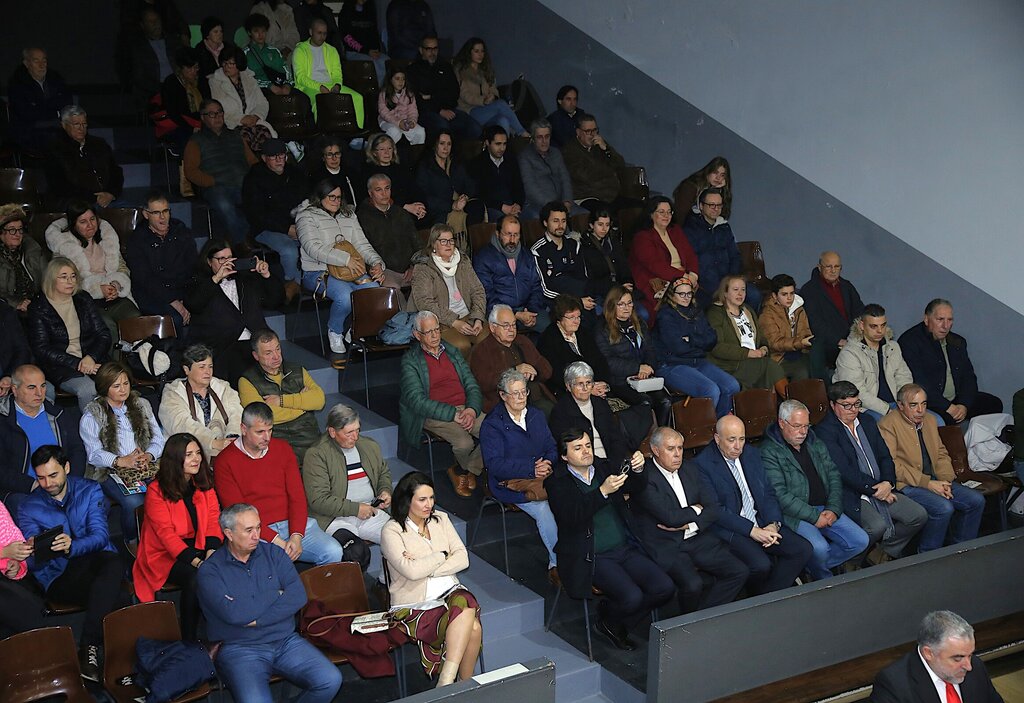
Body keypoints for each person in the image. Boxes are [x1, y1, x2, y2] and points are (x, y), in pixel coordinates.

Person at [197, 502, 343, 701]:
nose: (256, 535)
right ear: (229, 534)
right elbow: (233, 614)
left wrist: (257, 620)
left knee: (330, 679)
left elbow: (298, 596)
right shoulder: (210, 571)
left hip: (285, 640)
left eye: (258, 527)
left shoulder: (274, 554)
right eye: (249, 530)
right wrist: (276, 594)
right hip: (239, 648)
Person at [546, 427, 672, 651]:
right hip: (590, 555)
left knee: (664, 587)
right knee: (632, 597)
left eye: (588, 445)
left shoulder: (603, 467)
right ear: (564, 456)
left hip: (624, 547)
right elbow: (571, 516)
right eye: (578, 448)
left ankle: (613, 621)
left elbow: (635, 486)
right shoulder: (557, 482)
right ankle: (613, 621)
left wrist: (638, 469)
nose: (586, 451)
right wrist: (602, 492)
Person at [19, 445, 123, 681]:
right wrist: (37, 548)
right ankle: (116, 665)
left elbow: (100, 536)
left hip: (95, 562)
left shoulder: (90, 489)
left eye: (53, 475)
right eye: (41, 478)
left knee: (112, 565)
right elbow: (34, 563)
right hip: (58, 576)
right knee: (117, 591)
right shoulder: (28, 506)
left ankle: (90, 649)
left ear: (66, 467)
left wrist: (71, 546)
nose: (48, 483)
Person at [630, 427, 749, 614]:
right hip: (667, 544)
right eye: (671, 449)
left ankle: (705, 616)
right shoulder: (644, 478)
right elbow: (670, 517)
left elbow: (713, 507)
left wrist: (692, 524)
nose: (677, 454)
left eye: (680, 448)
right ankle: (688, 622)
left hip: (697, 536)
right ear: (655, 450)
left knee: (739, 571)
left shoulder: (690, 468)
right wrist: (696, 508)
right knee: (693, 585)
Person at [380, 471, 481, 686]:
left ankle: (449, 683)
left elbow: (463, 559)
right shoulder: (392, 530)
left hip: (449, 592)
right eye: (422, 499)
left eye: (432, 498)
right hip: (414, 603)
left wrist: (427, 567)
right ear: (407, 501)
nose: (429, 504)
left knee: (464, 603)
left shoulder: (441, 519)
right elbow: (411, 572)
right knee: (472, 623)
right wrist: (442, 555)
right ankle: (460, 684)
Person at [695, 415, 812, 594]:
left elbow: (768, 493)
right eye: (731, 440)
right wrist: (752, 531)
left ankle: (770, 596)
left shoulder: (751, 454)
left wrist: (773, 523)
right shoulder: (702, 464)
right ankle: (758, 597)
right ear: (717, 439)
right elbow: (716, 510)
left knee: (802, 549)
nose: (738, 446)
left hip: (762, 521)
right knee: (761, 565)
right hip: (733, 528)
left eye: (742, 439)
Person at [215, 402, 343, 565]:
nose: (267, 437)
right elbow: (238, 514)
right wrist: (277, 541)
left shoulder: (282, 449)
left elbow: (297, 497)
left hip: (293, 526)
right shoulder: (225, 461)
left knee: (333, 551)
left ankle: (311, 583)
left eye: (270, 430)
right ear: (243, 429)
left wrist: (296, 536)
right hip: (255, 532)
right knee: (264, 563)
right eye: (260, 432)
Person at [817, 381, 928, 563]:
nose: (853, 410)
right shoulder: (824, 431)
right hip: (852, 493)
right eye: (846, 405)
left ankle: (881, 551)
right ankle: (852, 563)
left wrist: (888, 482)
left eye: (856, 404)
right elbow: (844, 471)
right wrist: (876, 489)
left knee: (918, 515)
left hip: (881, 486)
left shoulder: (867, 421)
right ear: (832, 404)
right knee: (876, 527)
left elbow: (885, 456)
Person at [760, 400, 870, 580]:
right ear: (781, 423)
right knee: (820, 548)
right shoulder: (769, 451)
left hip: (825, 508)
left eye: (806, 425)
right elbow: (780, 495)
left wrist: (833, 508)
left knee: (860, 541)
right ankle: (825, 580)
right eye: (797, 426)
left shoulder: (814, 441)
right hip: (794, 515)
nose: (803, 431)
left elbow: (834, 475)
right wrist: (814, 517)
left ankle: (810, 568)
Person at [133, 433, 222, 640]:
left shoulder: (203, 481)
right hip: (164, 555)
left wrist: (211, 552)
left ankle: (225, 631)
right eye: (189, 455)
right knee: (196, 577)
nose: (196, 459)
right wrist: (200, 563)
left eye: (198, 453)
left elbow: (213, 520)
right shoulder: (156, 490)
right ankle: (189, 638)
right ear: (175, 459)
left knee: (231, 564)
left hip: (200, 545)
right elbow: (166, 536)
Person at [878, 384, 985, 552]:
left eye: (924, 404)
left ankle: (962, 550)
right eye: (913, 405)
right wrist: (927, 483)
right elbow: (892, 465)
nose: (920, 410)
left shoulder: (930, 420)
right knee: (943, 508)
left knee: (976, 501)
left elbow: (941, 452)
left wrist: (945, 481)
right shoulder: (887, 424)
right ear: (900, 406)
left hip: (935, 479)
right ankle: (928, 554)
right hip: (908, 484)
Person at [479, 369, 560, 579]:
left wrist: (548, 462)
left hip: (543, 475)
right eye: (515, 393)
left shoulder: (536, 415)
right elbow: (494, 465)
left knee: (572, 498)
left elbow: (552, 446)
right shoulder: (492, 425)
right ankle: (557, 564)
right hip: (511, 483)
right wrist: (530, 468)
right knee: (543, 509)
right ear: (503, 395)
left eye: (524, 392)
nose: (521, 397)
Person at [400, 311, 485, 498]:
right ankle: (468, 470)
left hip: (464, 407)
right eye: (428, 332)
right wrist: (452, 414)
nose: (435, 335)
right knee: (464, 443)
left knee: (495, 430)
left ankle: (465, 470)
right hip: (433, 413)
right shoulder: (411, 361)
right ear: (417, 335)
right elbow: (417, 401)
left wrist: (471, 409)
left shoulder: (452, 351)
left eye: (437, 330)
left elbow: (471, 384)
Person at [296, 178, 385, 354]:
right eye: (331, 197)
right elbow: (313, 248)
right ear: (320, 197)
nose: (336, 201)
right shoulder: (306, 216)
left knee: (374, 292)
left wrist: (377, 263)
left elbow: (362, 245)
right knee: (345, 296)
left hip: (351, 270)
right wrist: (345, 259)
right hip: (318, 271)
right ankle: (335, 331)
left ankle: (355, 331)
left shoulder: (348, 215)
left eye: (339, 197)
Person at [80, 361, 165, 542]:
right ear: (105, 388)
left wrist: (148, 455)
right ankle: (132, 540)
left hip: (144, 464)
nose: (123, 389)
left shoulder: (141, 405)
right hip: (109, 470)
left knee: (166, 491)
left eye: (126, 383)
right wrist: (120, 460)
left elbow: (158, 438)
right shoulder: (93, 414)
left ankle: (161, 537)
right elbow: (94, 454)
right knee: (135, 501)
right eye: (116, 386)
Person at [303, 404, 392, 570]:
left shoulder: (369, 446)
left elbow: (383, 473)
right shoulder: (317, 455)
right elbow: (319, 500)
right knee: (355, 552)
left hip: (370, 510)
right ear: (332, 432)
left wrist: (385, 490)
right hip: (335, 519)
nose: (355, 437)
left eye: (357, 430)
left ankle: (384, 581)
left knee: (404, 538)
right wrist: (355, 509)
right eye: (349, 433)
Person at [185, 239, 282, 385]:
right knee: (243, 371)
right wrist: (216, 278)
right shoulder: (200, 283)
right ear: (209, 261)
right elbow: (194, 305)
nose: (226, 262)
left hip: (255, 340)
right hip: (223, 344)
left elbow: (275, 300)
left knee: (275, 364)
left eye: (229, 257)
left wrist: (266, 275)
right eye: (221, 259)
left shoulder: (246, 278)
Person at [44, 200, 140, 341]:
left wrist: (116, 285)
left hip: (114, 296)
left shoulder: (108, 239)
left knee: (135, 318)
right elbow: (64, 282)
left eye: (92, 219)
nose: (90, 225)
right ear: (74, 224)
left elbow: (122, 268)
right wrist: (97, 289)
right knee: (107, 327)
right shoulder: (64, 247)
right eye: (83, 222)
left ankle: (137, 355)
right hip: (86, 300)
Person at [898, 298, 1003, 425]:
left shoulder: (957, 341)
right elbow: (918, 381)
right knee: (945, 419)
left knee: (993, 404)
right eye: (940, 319)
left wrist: (964, 405)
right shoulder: (909, 341)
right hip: (930, 402)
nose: (945, 325)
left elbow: (968, 377)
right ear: (926, 319)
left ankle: (980, 438)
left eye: (950, 320)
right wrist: (948, 407)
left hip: (956, 399)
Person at [27, 257, 112, 412]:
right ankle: (92, 426)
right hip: (60, 365)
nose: (70, 281)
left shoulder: (83, 298)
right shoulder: (38, 307)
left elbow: (103, 333)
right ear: (51, 279)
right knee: (87, 388)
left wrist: (91, 357)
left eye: (73, 276)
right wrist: (78, 364)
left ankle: (119, 423)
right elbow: (42, 349)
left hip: (91, 359)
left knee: (118, 380)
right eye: (64, 277)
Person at [0, 365, 86, 516]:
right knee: (40, 513)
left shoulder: (58, 414)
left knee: (95, 504)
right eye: (31, 387)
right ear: (15, 389)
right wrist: (33, 485)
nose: (39, 393)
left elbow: (77, 449)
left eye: (43, 386)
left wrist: (70, 481)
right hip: (21, 489)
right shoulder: (4, 419)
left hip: (62, 484)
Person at [871, 610, 1004, 703]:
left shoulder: (976, 667)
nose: (968, 666)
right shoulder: (894, 685)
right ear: (928, 653)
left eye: (970, 655)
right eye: (957, 658)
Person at [655, 277, 740, 418]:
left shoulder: (697, 312)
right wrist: (700, 343)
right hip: (672, 365)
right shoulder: (665, 315)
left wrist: (691, 339)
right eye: (681, 294)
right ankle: (703, 428)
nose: (686, 297)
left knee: (732, 386)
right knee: (710, 390)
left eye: (689, 293)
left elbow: (712, 339)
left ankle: (720, 424)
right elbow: (678, 347)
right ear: (671, 295)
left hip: (698, 361)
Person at [238, 329, 326, 465]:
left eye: (278, 349)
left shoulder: (297, 370)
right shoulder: (247, 381)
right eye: (268, 353)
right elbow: (261, 418)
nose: (276, 356)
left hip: (309, 437)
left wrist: (281, 401)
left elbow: (319, 400)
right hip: (276, 439)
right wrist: (304, 406)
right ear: (256, 355)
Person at [242, 137, 309, 302]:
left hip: (296, 224)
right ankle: (291, 286)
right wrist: (286, 228)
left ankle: (306, 283)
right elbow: (256, 215)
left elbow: (306, 201)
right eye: (274, 156)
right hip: (265, 229)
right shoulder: (254, 178)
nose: (279, 159)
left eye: (282, 155)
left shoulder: (294, 174)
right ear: (264, 158)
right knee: (289, 250)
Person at [184, 98, 259, 244]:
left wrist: (255, 178)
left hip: (244, 183)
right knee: (224, 204)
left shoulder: (236, 135)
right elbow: (191, 171)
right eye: (212, 114)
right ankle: (244, 243)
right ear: (203, 117)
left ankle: (257, 238)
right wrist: (211, 181)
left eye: (219, 112)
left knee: (261, 198)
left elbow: (252, 161)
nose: (217, 117)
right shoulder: (196, 141)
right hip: (217, 186)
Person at [595, 285, 672, 427]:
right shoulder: (602, 328)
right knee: (645, 402)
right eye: (621, 304)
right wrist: (637, 368)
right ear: (612, 305)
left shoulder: (639, 323)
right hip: (619, 381)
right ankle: (646, 437)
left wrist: (648, 367)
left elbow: (650, 349)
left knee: (665, 401)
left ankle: (662, 435)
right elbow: (607, 361)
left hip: (643, 377)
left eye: (629, 303)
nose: (627, 308)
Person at [409, 223, 489, 357]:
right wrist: (454, 322)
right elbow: (424, 302)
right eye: (443, 241)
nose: (449, 244)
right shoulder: (423, 267)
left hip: (468, 316)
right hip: (441, 322)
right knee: (461, 346)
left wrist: (478, 318)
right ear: (434, 244)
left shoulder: (463, 261)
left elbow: (478, 290)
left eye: (451, 240)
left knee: (489, 339)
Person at [126, 190, 197, 332]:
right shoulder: (137, 240)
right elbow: (145, 279)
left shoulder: (181, 231)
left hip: (182, 289)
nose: (162, 217)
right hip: (153, 294)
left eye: (165, 211)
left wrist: (182, 297)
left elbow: (192, 266)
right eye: (156, 213)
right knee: (174, 319)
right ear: (146, 214)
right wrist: (173, 300)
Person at [548, 361, 639, 470]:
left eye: (588, 383)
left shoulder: (600, 404)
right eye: (580, 384)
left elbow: (616, 438)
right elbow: (567, 449)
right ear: (568, 386)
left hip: (612, 462)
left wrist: (615, 463)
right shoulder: (561, 411)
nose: (585, 388)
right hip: (585, 467)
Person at [159, 344, 244, 459]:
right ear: (186, 370)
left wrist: (232, 438)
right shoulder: (173, 393)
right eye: (202, 367)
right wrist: (213, 442)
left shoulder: (223, 387)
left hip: (226, 450)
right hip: (186, 456)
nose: (208, 372)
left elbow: (237, 414)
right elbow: (182, 424)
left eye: (210, 366)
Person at [707, 275, 787, 395]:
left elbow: (761, 338)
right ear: (725, 293)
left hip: (755, 360)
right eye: (735, 290)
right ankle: (791, 402)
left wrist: (764, 348)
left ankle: (772, 404)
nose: (740, 294)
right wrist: (748, 353)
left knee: (766, 369)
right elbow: (717, 347)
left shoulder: (747, 310)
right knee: (769, 366)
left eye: (743, 290)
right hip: (731, 365)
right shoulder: (715, 314)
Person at [834, 303, 914, 420]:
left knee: (936, 420)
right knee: (890, 424)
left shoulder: (893, 347)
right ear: (861, 325)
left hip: (897, 404)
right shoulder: (849, 353)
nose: (880, 331)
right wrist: (887, 410)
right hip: (865, 409)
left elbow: (904, 378)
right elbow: (856, 393)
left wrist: (906, 404)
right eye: (873, 326)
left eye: (883, 325)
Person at [470, 304, 554, 414]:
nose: (511, 330)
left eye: (513, 325)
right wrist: (514, 371)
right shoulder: (482, 350)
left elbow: (547, 371)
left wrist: (534, 371)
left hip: (535, 396)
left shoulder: (523, 341)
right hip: (505, 404)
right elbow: (483, 383)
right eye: (506, 326)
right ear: (493, 327)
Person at [683, 187, 755, 309]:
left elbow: (735, 256)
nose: (716, 209)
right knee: (712, 302)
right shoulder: (690, 229)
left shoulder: (724, 227)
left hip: (728, 279)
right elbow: (690, 259)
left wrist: (732, 279)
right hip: (705, 284)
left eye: (719, 205)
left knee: (754, 296)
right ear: (701, 206)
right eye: (711, 205)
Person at [629, 196, 699, 321]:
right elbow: (655, 265)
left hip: (684, 278)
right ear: (651, 214)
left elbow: (690, 254)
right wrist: (683, 276)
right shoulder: (642, 237)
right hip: (657, 281)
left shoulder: (675, 230)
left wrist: (693, 274)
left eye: (669, 212)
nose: (666, 215)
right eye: (661, 212)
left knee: (704, 301)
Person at [473, 215, 548, 331]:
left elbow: (536, 286)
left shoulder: (526, 255)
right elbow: (486, 294)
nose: (512, 240)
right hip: (499, 313)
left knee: (552, 329)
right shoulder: (484, 257)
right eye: (508, 234)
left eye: (516, 235)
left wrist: (530, 311)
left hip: (528, 310)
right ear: (498, 233)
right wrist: (515, 313)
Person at [799, 250, 865, 379]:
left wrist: (857, 337)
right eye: (828, 266)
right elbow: (815, 323)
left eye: (837, 266)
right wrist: (838, 341)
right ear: (819, 267)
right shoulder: (809, 290)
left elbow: (859, 311)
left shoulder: (847, 286)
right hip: (827, 345)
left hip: (852, 340)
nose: (833, 270)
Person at [356, 173, 422, 300]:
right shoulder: (362, 217)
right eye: (378, 190)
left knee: (428, 281)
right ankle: (403, 313)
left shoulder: (401, 213)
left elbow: (417, 243)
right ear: (370, 193)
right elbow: (363, 249)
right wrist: (376, 268)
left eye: (387, 188)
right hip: (384, 269)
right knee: (392, 291)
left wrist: (414, 266)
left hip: (409, 268)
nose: (384, 193)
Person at [45, 106, 125, 210]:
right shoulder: (56, 149)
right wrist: (94, 197)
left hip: (107, 198)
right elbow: (59, 185)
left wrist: (111, 193)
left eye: (84, 124)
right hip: (77, 202)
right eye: (76, 124)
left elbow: (116, 172)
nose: (81, 128)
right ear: (64, 125)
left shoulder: (99, 144)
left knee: (133, 212)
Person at [537, 294, 613, 398]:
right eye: (571, 317)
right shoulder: (548, 339)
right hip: (568, 391)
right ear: (559, 318)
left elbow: (599, 360)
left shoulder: (583, 332)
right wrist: (587, 388)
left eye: (578, 317)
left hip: (594, 386)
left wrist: (602, 383)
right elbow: (557, 375)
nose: (576, 321)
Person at [292, 18, 364, 124]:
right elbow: (301, 78)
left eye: (324, 33)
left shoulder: (332, 50)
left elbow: (337, 73)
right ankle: (322, 132)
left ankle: (357, 132)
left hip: (330, 85)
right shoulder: (300, 50)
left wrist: (337, 85)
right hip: (309, 87)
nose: (322, 37)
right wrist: (319, 87)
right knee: (319, 103)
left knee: (357, 98)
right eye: (319, 33)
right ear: (311, 32)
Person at [407, 36, 481, 139]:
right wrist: (439, 110)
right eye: (428, 49)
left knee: (475, 129)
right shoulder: (413, 70)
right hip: (426, 113)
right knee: (443, 128)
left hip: (450, 109)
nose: (432, 52)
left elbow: (454, 92)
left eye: (435, 48)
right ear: (421, 50)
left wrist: (431, 96)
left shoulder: (445, 67)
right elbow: (416, 99)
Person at [208, 46, 277, 153]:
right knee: (244, 138)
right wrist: (241, 119)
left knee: (265, 135)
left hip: (254, 122)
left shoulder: (249, 78)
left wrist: (256, 116)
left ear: (239, 64)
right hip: (231, 124)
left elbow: (262, 103)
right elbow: (218, 109)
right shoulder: (215, 81)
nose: (226, 67)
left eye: (231, 63)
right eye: (224, 63)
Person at [453, 38, 527, 137]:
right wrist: (483, 101)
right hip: (469, 111)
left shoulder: (486, 70)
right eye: (476, 51)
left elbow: (493, 89)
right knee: (501, 104)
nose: (480, 54)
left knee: (503, 120)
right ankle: (522, 132)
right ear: (469, 52)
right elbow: (464, 94)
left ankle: (503, 145)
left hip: (487, 109)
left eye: (482, 51)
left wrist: (493, 97)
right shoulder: (460, 71)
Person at [531, 201, 592, 311]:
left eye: (563, 221)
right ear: (545, 222)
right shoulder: (538, 250)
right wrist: (576, 301)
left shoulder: (574, 245)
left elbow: (583, 277)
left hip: (580, 298)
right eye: (555, 221)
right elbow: (545, 290)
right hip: (556, 304)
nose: (560, 225)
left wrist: (581, 299)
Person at [8, 47, 72, 151]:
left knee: (79, 130)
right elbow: (27, 114)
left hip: (57, 127)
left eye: (44, 61)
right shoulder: (17, 84)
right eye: (36, 61)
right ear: (26, 63)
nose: (41, 65)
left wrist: (45, 109)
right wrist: (55, 113)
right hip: (29, 132)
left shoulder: (55, 79)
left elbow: (67, 103)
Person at [0, 500, 46, 639]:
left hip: (7, 579)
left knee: (29, 610)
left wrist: (15, 565)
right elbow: (7, 550)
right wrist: (3, 553)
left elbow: (15, 543)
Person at [519, 118, 581, 220]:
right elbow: (530, 188)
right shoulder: (525, 157)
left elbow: (565, 179)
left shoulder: (556, 153)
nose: (544, 141)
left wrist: (567, 201)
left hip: (561, 203)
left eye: (547, 136)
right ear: (533, 138)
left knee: (583, 214)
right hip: (538, 204)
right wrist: (553, 206)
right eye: (540, 137)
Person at [579, 205, 636, 316]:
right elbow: (590, 280)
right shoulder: (584, 247)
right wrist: (616, 288)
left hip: (620, 289)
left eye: (607, 225)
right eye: (600, 224)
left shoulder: (613, 242)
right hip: (600, 293)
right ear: (591, 225)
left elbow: (624, 267)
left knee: (642, 313)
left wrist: (627, 282)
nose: (604, 229)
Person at [561, 112, 625, 207]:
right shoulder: (569, 150)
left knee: (637, 206)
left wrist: (606, 149)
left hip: (609, 194)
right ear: (578, 132)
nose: (592, 135)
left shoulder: (599, 145)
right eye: (588, 131)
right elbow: (586, 176)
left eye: (595, 130)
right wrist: (610, 172)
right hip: (586, 195)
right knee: (605, 211)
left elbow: (620, 164)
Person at [758, 273, 813, 382]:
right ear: (774, 296)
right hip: (779, 357)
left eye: (792, 293)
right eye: (784, 294)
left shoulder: (799, 308)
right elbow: (774, 343)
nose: (789, 298)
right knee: (802, 371)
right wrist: (800, 342)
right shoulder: (767, 313)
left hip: (800, 351)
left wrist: (808, 341)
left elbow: (806, 331)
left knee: (817, 363)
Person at [125, 7, 182, 109]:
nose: (155, 24)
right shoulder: (138, 48)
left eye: (157, 20)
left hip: (177, 85)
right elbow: (138, 77)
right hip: (154, 91)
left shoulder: (173, 42)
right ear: (143, 25)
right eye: (150, 21)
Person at [466, 125, 524, 223]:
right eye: (498, 144)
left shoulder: (511, 160)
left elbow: (519, 186)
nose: (502, 148)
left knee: (533, 217)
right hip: (492, 207)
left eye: (504, 144)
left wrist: (518, 204)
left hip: (513, 206)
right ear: (487, 143)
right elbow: (478, 193)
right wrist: (502, 206)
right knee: (505, 222)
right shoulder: (477, 164)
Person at [360, 132, 425, 219]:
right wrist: (406, 207)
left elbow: (414, 188)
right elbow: (379, 198)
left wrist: (420, 205)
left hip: (410, 208)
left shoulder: (401, 168)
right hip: (387, 211)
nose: (387, 152)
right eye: (382, 149)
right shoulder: (370, 172)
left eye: (389, 148)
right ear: (374, 153)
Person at [0, 205, 48, 312]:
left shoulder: (33, 249)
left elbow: (48, 278)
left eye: (20, 229)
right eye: (12, 230)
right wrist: (16, 303)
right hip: (6, 309)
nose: (17, 234)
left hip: (35, 304)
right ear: (1, 232)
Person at [160, 47, 207, 155]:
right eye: (189, 68)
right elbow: (172, 112)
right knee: (189, 140)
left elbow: (208, 103)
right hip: (181, 123)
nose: (193, 71)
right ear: (181, 68)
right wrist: (192, 128)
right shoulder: (171, 82)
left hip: (202, 120)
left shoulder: (201, 80)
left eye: (196, 67)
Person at [338, 0, 387, 85]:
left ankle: (385, 91)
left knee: (386, 61)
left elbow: (374, 34)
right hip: (353, 52)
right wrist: (366, 51)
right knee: (373, 65)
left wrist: (376, 50)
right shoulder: (346, 12)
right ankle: (378, 91)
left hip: (371, 52)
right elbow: (347, 38)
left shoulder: (370, 11)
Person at [244, 13, 295, 94]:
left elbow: (287, 71)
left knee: (303, 98)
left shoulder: (274, 51)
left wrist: (287, 85)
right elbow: (245, 78)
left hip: (279, 86)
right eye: (256, 31)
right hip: (257, 91)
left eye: (263, 31)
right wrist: (269, 85)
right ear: (249, 32)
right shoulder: (244, 53)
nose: (260, 35)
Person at [672, 156, 732, 222]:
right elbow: (680, 215)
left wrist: (718, 190)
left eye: (722, 175)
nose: (718, 178)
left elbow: (722, 215)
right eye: (715, 173)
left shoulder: (718, 190)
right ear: (708, 171)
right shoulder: (690, 187)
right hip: (685, 225)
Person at [378, 67, 425, 144]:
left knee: (420, 131)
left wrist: (412, 121)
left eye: (403, 79)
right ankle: (387, 149)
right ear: (390, 80)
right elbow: (384, 112)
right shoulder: (384, 94)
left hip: (405, 121)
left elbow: (413, 110)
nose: (401, 81)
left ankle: (416, 151)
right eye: (397, 79)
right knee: (395, 131)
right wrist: (398, 122)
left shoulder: (409, 94)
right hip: (387, 121)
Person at [308, 136, 358, 205]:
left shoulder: (351, 173)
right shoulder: (316, 178)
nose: (334, 158)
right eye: (329, 155)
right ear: (323, 157)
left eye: (337, 154)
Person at [194, 16, 231, 80]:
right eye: (216, 32)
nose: (220, 34)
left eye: (221, 31)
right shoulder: (200, 51)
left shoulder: (228, 47)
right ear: (207, 34)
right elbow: (203, 74)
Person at [546, 85, 581, 149]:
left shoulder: (582, 115)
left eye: (575, 99)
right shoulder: (554, 119)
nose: (572, 103)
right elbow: (565, 142)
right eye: (568, 99)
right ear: (560, 101)